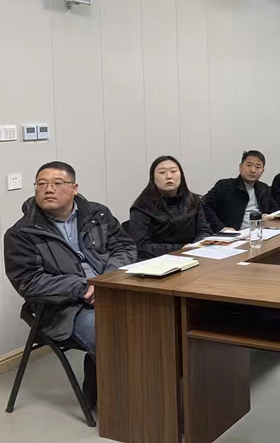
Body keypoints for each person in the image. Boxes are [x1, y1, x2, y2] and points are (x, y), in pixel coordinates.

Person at [4, 161, 136, 408]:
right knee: (112, 332)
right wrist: (82, 287)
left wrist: (106, 280)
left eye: (57, 183)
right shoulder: (21, 234)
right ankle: (125, 407)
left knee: (158, 319)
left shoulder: (98, 215)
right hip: (63, 308)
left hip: (110, 290)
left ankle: (135, 391)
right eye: (41, 184)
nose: (48, 189)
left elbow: (125, 247)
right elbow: (29, 282)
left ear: (75, 188)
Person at [130, 156, 212, 260]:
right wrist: (180, 249)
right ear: (152, 178)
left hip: (193, 255)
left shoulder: (193, 200)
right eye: (162, 172)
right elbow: (141, 245)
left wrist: (195, 246)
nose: (169, 176)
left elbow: (204, 230)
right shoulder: (141, 207)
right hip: (158, 260)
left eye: (173, 171)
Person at [203, 150, 279, 231]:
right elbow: (204, 205)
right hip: (234, 233)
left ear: (262, 171)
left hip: (260, 232)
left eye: (258, 167)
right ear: (240, 167)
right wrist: (221, 228)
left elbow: (275, 210)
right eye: (249, 165)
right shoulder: (224, 186)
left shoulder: (263, 188)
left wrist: (268, 216)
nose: (253, 170)